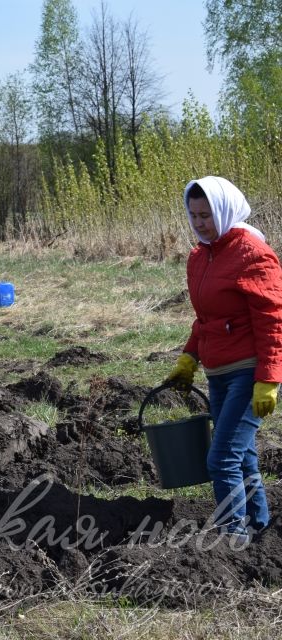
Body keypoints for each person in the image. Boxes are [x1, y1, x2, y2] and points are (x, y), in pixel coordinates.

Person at [165, 176, 282, 541]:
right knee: (242, 456)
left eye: (207, 214)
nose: (200, 222)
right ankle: (258, 528)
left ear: (225, 210)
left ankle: (231, 537)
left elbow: (273, 319)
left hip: (248, 372)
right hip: (217, 371)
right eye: (194, 214)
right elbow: (207, 319)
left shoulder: (252, 253)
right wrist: (189, 358)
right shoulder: (201, 255)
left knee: (221, 459)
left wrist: (269, 377)